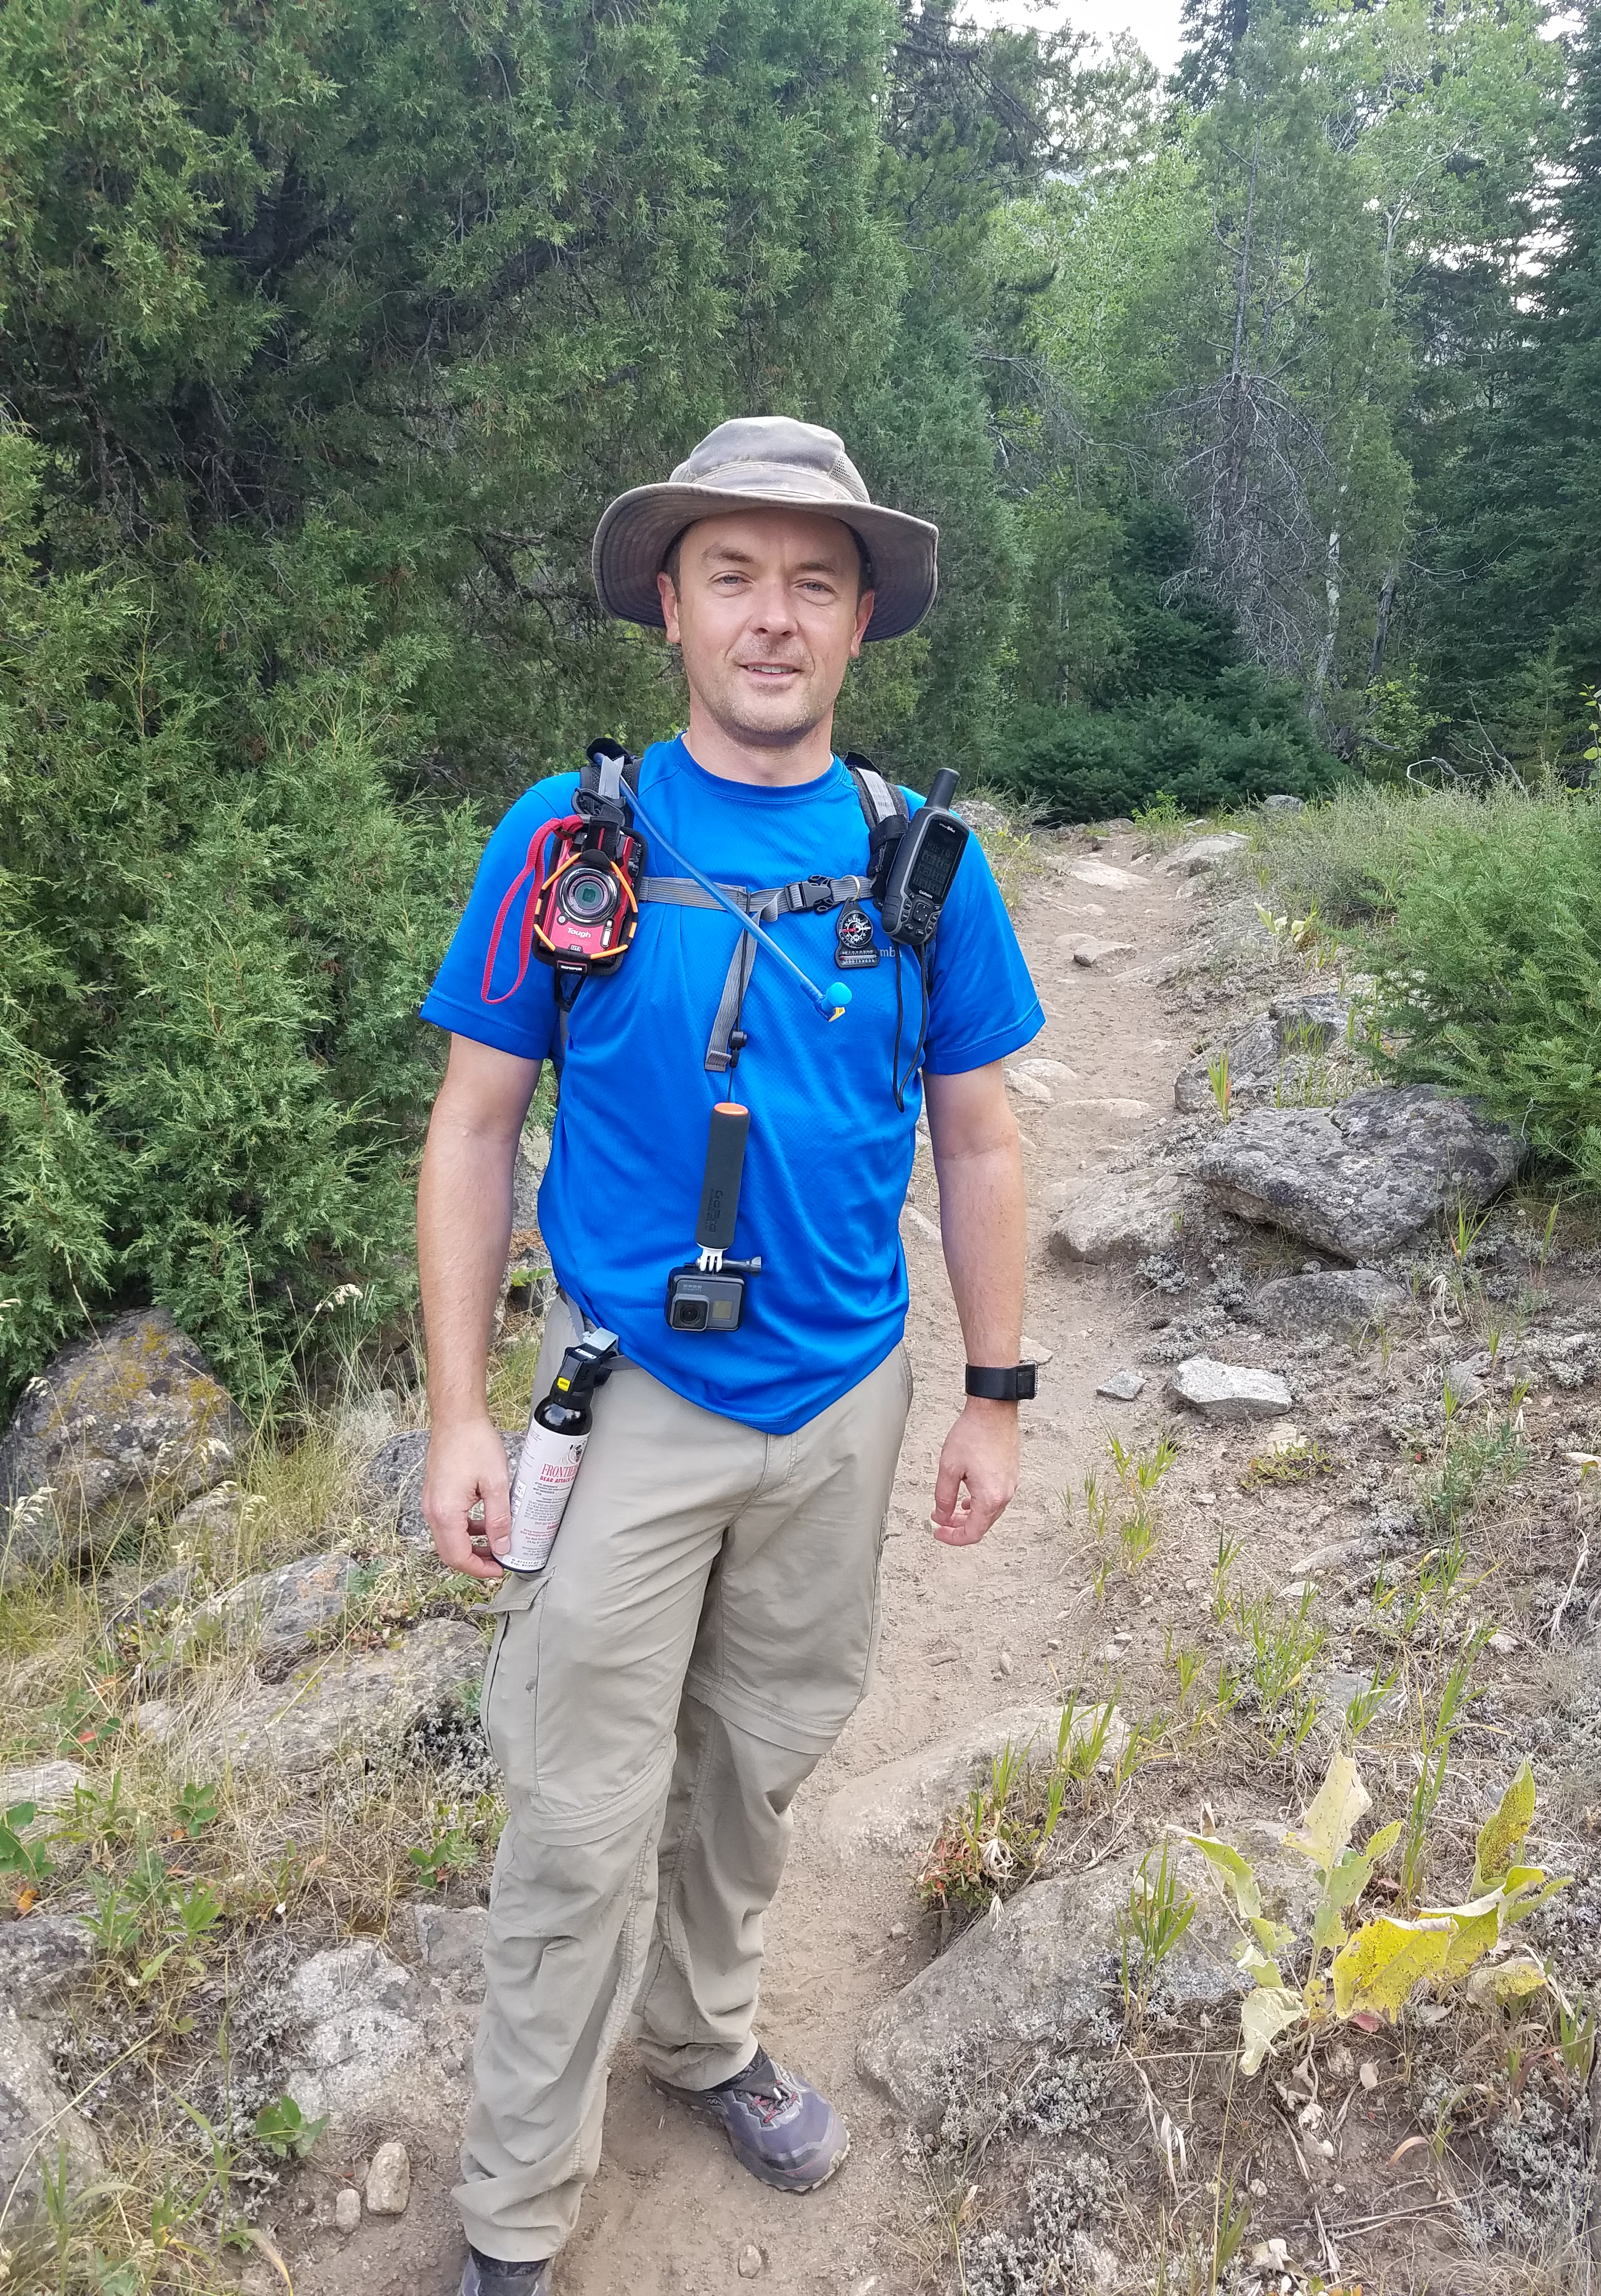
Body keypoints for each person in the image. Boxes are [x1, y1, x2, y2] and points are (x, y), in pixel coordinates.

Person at [416, 416, 1044, 2296]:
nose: (774, 618)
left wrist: (997, 1396)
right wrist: (457, 1412)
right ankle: (518, 2217)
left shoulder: (925, 864)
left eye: (815, 583)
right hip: (635, 1407)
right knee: (579, 1814)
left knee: (758, 1761)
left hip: (847, 1400)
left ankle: (703, 2037)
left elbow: (985, 1138)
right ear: (671, 609)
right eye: (735, 576)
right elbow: (470, 1125)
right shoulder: (570, 839)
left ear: (863, 625)